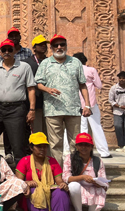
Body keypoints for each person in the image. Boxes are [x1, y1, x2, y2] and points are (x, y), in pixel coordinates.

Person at [35, 34, 92, 165]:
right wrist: (48, 89)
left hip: (73, 108)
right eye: (56, 45)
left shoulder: (75, 62)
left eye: (62, 44)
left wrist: (87, 105)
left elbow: (82, 84)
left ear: (66, 46)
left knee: (74, 143)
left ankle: (73, 171)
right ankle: (58, 174)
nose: (59, 47)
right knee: (55, 144)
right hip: (52, 109)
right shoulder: (45, 63)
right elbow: (38, 83)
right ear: (51, 48)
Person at [0, 39, 36, 164]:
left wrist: (32, 110)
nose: (7, 52)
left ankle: (19, 177)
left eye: (10, 49)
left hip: (17, 110)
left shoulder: (24, 67)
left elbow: (31, 89)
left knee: (18, 145)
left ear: (15, 51)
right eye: (4, 50)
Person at [15, 132, 70, 211]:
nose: (42, 149)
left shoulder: (52, 161)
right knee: (35, 191)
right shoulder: (24, 161)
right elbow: (17, 182)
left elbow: (59, 181)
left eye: (44, 146)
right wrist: (27, 183)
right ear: (31, 147)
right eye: (39, 146)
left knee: (61, 192)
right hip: (29, 198)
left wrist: (63, 184)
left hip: (49, 195)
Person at [70, 53, 111, 158]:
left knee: (81, 127)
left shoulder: (72, 70)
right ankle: (104, 151)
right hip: (90, 103)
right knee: (96, 127)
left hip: (77, 102)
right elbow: (99, 85)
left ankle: (80, 151)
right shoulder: (91, 70)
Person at [63, 133, 108, 211]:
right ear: (76, 146)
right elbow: (66, 178)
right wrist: (83, 177)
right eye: (81, 145)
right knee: (73, 185)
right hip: (77, 189)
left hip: (92, 187)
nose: (84, 147)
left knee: (101, 189)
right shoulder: (69, 158)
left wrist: (98, 183)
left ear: (91, 147)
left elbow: (104, 180)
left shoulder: (97, 161)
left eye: (87, 145)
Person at [23, 35, 49, 134]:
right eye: (40, 44)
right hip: (34, 102)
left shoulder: (50, 62)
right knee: (37, 131)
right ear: (34, 47)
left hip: (48, 102)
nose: (43, 46)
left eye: (45, 44)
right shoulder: (27, 63)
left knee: (49, 133)